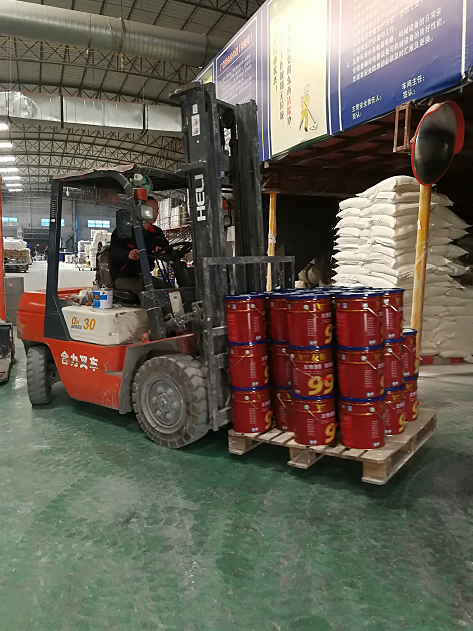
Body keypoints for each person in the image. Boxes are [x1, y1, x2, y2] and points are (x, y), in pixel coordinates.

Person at [109, 196, 169, 295]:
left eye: (157, 210)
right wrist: (128, 254)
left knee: (167, 289)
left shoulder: (156, 232)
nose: (155, 213)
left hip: (144, 276)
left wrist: (162, 250)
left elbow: (167, 248)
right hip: (124, 276)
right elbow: (114, 252)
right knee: (144, 293)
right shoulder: (125, 230)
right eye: (151, 210)